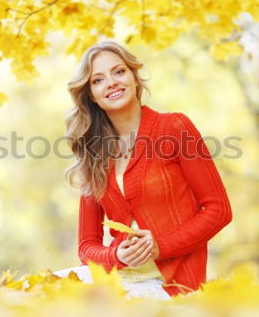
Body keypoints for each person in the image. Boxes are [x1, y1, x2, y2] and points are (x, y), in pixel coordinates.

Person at [54, 41, 233, 299]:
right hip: (117, 277)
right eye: (98, 80)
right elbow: (86, 247)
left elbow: (219, 210)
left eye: (119, 72)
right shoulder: (94, 154)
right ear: (91, 95)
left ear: (134, 77)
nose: (111, 83)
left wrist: (160, 247)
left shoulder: (174, 127)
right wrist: (115, 255)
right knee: (31, 292)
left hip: (171, 286)